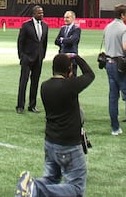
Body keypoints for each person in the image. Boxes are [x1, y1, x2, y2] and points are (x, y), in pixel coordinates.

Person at [15, 51, 95, 197]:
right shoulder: (70, 86)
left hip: (50, 142)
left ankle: (29, 186)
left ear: (53, 69)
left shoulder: (45, 86)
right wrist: (77, 57)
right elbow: (90, 75)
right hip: (68, 145)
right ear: (69, 70)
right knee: (76, 188)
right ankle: (36, 189)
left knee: (51, 179)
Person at [100, 4, 126, 137]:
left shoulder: (107, 27)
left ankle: (115, 128)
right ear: (122, 15)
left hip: (109, 63)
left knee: (113, 97)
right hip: (121, 65)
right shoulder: (125, 29)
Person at [18, 6, 50, 113]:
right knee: (23, 82)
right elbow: (20, 42)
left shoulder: (45, 26)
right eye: (39, 13)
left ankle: (32, 105)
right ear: (34, 14)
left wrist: (42, 55)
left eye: (42, 12)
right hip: (27, 58)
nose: (42, 14)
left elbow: (44, 43)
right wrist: (21, 56)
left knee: (35, 82)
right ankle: (20, 106)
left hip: (38, 59)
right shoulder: (26, 25)